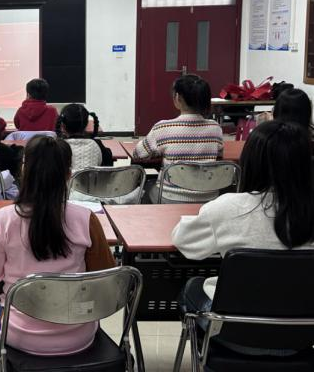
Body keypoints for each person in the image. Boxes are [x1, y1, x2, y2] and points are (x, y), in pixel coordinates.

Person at [172, 121, 314, 354]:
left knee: (192, 286)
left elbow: (184, 242)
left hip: (233, 334)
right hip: (301, 339)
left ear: (250, 161)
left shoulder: (227, 208)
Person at [0, 136, 116, 363]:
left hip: (20, 335)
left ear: (24, 170)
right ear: (68, 174)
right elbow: (105, 278)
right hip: (78, 335)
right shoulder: (86, 219)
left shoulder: (5, 219)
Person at [133, 74, 223, 203]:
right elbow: (219, 157)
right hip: (208, 197)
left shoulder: (163, 128)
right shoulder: (215, 128)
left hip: (171, 197)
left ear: (178, 98)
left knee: (146, 186)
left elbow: (138, 154)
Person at [56, 103, 112, 171]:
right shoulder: (97, 145)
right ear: (86, 124)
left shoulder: (57, 147)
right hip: (92, 178)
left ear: (62, 126)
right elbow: (107, 171)